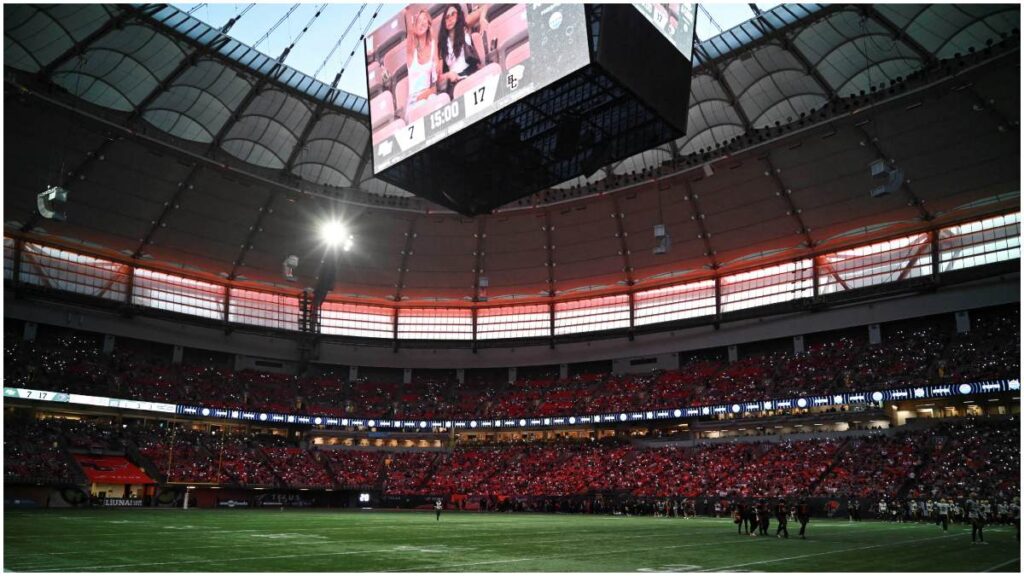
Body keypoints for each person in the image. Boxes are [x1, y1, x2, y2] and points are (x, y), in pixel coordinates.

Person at [436, 4, 481, 98]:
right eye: (447, 17)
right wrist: (448, 74)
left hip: (471, 73)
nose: (450, 19)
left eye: (453, 14)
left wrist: (483, 18)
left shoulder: (464, 27)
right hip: (455, 82)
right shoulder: (442, 45)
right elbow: (439, 78)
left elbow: (484, 8)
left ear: (459, 15)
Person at [404, 9, 439, 122]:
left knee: (435, 100)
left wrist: (427, 93)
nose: (422, 22)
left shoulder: (433, 45)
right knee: (423, 105)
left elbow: (435, 82)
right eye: (418, 20)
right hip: (414, 100)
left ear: (429, 24)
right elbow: (410, 29)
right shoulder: (411, 49)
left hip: (428, 94)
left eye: (424, 19)